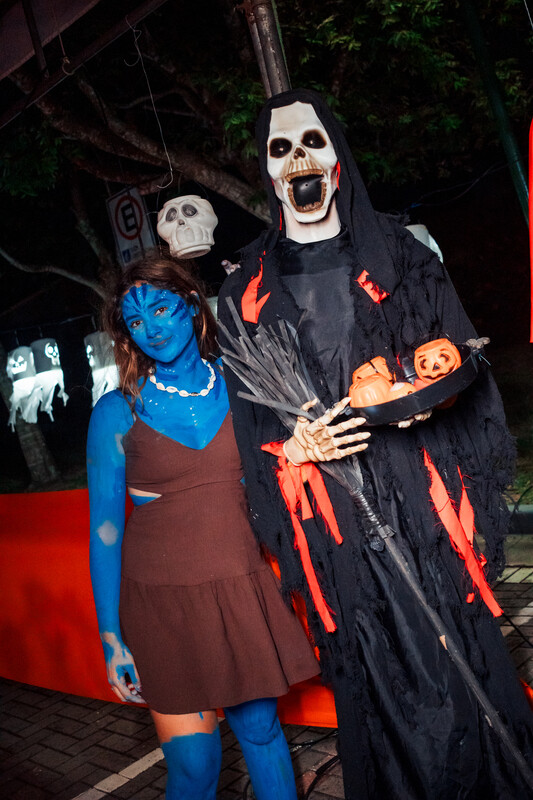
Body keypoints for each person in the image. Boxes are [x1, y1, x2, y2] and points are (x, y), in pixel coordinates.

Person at [218, 88, 533, 799]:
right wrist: (293, 447)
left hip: (421, 505)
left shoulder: (403, 255)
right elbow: (253, 426)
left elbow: (458, 357)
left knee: (457, 660)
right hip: (337, 521)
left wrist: (430, 397)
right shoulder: (246, 292)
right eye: (279, 148)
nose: (297, 158)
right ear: (269, 172)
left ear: (337, 159)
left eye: (311, 141)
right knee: (380, 679)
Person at [87, 255, 320, 800]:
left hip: (239, 585)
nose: (151, 329)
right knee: (195, 765)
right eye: (136, 321)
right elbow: (105, 533)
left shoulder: (244, 387)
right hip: (161, 604)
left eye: (160, 309)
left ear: (192, 305)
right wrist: (111, 638)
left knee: (261, 732)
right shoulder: (117, 411)